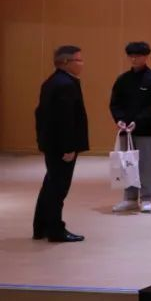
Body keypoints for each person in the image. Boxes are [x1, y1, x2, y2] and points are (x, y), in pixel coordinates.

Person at [33, 46, 89, 243]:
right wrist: (69, 147)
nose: (82, 64)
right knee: (58, 189)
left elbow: (40, 114)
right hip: (61, 146)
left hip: (51, 143)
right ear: (65, 62)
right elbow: (65, 119)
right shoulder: (65, 84)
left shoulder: (52, 81)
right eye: (78, 60)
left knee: (50, 185)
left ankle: (41, 227)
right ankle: (55, 230)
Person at [109, 42, 151, 214]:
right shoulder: (123, 79)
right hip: (126, 130)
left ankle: (146, 198)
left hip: (145, 129)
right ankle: (130, 198)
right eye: (131, 56)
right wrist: (119, 119)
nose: (134, 59)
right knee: (127, 163)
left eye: (137, 56)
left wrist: (137, 121)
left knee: (145, 164)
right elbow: (115, 103)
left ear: (146, 57)